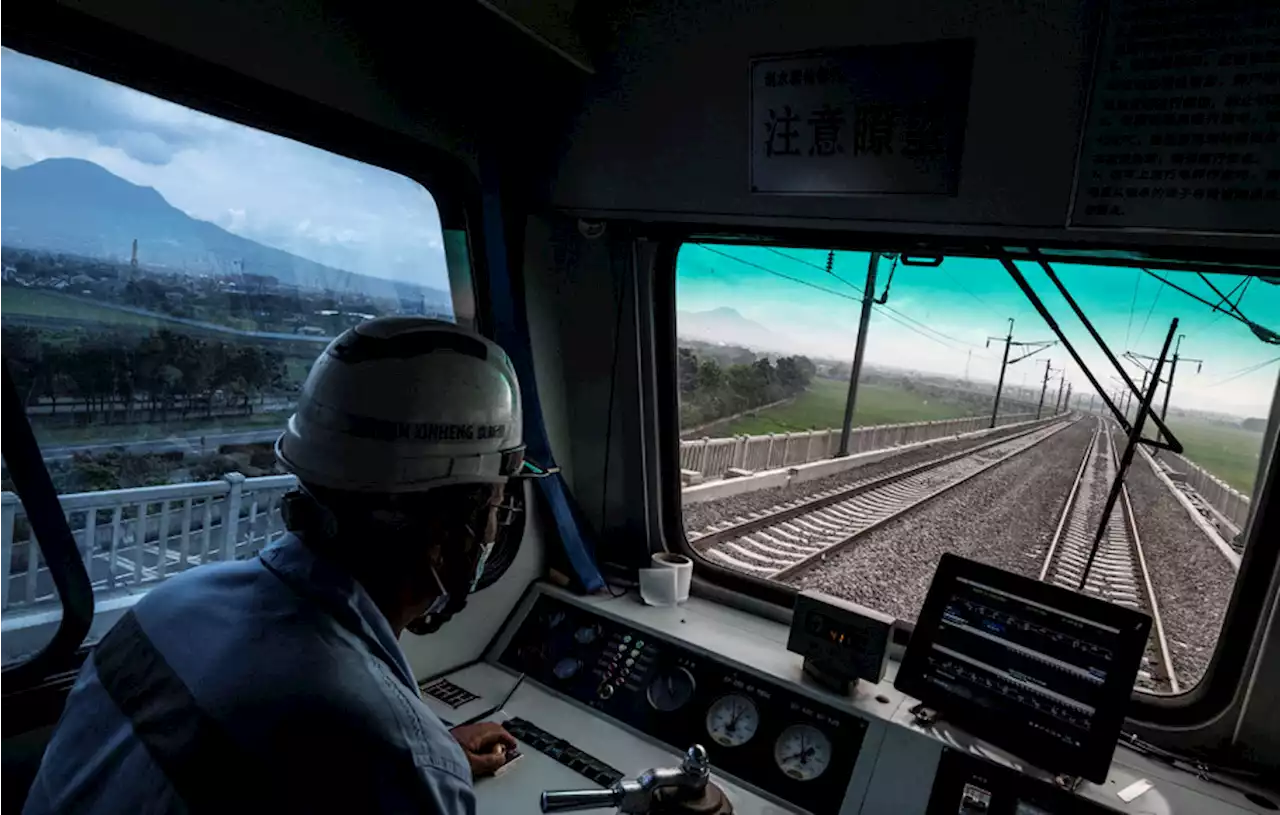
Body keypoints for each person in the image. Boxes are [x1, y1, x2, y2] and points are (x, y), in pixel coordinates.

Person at [24, 317, 528, 814]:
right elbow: (348, 755)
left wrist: (430, 756)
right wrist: (422, 767)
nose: (495, 529)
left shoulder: (168, 607)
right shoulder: (391, 756)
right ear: (450, 529)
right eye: (498, 505)